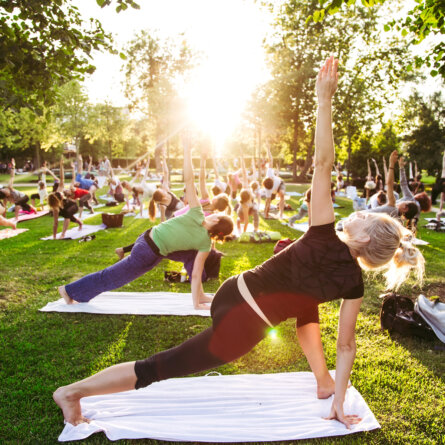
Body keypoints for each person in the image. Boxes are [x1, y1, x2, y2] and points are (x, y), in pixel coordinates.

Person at [53, 57, 424, 430]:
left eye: (363, 217)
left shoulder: (323, 233)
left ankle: (322, 382)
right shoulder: (351, 281)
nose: (357, 214)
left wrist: (323, 101)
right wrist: (340, 403)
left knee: (306, 303)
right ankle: (72, 392)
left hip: (235, 291)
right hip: (244, 324)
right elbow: (346, 347)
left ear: (361, 237)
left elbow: (322, 163)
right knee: (160, 367)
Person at [57, 134, 233, 310]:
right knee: (114, 276)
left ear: (217, 219)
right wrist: (196, 306)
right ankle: (69, 291)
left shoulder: (197, 215)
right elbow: (195, 275)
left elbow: (189, 180)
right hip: (148, 250)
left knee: (189, 255)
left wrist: (187, 151)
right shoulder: (205, 241)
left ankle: (200, 295)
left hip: (150, 240)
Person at [47, 158, 83, 239]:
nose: (63, 195)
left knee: (67, 214)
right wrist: (54, 236)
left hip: (73, 206)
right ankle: (80, 223)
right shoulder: (55, 208)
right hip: (65, 210)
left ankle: (63, 234)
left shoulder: (59, 191)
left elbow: (62, 179)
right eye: (61, 196)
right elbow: (55, 223)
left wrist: (61, 165)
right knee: (68, 216)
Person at [148, 149, 184, 221]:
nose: (163, 190)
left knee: (180, 206)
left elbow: (166, 173)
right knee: (171, 220)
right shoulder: (162, 205)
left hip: (179, 206)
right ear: (162, 198)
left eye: (161, 190)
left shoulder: (165, 189)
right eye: (162, 192)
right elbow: (162, 221)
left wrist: (164, 158)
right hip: (170, 213)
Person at [234, 155, 259, 233]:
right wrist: (244, 233)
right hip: (241, 211)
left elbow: (244, 173)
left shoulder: (246, 189)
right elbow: (246, 221)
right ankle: (238, 223)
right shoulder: (244, 205)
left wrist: (242, 159)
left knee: (256, 212)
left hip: (251, 207)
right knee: (241, 220)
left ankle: (256, 229)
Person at [262, 146, 285, 219]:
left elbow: (271, 160)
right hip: (274, 191)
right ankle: (265, 212)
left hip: (280, 184)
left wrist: (268, 149)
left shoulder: (269, 173)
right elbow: (268, 202)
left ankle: (281, 213)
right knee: (268, 201)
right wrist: (266, 215)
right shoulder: (268, 190)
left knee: (282, 194)